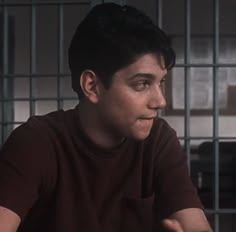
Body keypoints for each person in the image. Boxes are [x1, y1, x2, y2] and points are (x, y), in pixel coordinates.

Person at [0, 3, 212, 232]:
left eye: (160, 83)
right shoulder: (36, 142)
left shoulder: (158, 139)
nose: (160, 101)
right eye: (142, 84)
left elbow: (194, 225)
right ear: (92, 86)